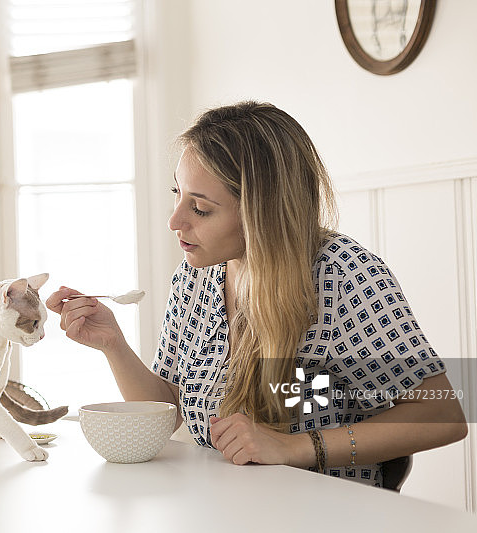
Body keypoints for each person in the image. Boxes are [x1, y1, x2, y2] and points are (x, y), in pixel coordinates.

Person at [46, 101, 467, 487]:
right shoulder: (195, 278)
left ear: (261, 211)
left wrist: (294, 449)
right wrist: (113, 344)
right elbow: (169, 408)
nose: (175, 220)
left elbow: (444, 416)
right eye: (177, 194)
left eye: (201, 208)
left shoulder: (342, 276)